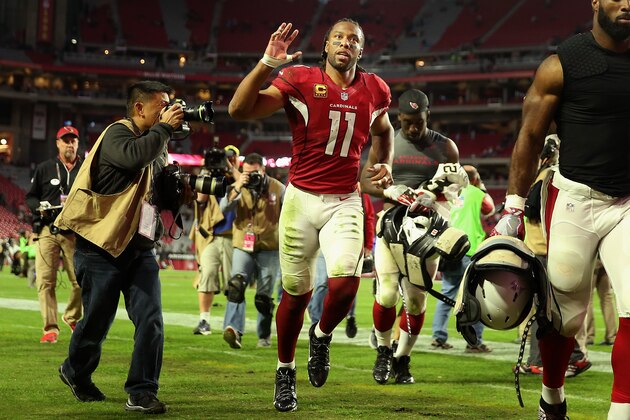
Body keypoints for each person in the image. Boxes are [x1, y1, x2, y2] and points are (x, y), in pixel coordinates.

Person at [228, 19, 394, 412]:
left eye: (353, 39)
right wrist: (267, 62)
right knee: (296, 294)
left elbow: (384, 130)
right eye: (338, 36)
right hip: (300, 200)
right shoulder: (301, 78)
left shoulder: (375, 88)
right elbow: (238, 111)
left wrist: (382, 163)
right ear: (326, 46)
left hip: (345, 199)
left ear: (361, 50)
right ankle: (285, 371)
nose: (345, 42)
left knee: (344, 286)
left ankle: (320, 336)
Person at [491, 2, 630, 418]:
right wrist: (514, 207)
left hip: (627, 203)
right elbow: (531, 137)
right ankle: (552, 397)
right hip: (574, 198)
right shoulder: (562, 63)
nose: (626, 4)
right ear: (595, 2)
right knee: (566, 319)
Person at [54, 81, 185, 414]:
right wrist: (166, 130)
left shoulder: (159, 145)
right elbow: (134, 159)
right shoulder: (117, 134)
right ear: (140, 108)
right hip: (101, 246)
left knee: (151, 319)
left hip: (140, 248)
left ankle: (141, 391)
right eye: (163, 104)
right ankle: (75, 371)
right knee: (97, 322)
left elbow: (156, 195)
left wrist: (181, 189)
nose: (170, 110)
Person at [360, 89, 468, 385]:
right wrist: (388, 191)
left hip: (425, 230)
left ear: (427, 115)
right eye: (407, 122)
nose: (413, 128)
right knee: (387, 294)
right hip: (391, 225)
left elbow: (451, 189)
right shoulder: (387, 141)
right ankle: (383, 351)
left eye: (418, 121)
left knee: (417, 301)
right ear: (399, 118)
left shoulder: (446, 147)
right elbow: (365, 182)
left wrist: (442, 194)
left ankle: (402, 358)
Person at [25, 125, 83, 344]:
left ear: (78, 144)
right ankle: (50, 328)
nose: (69, 144)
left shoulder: (86, 168)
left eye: (73, 140)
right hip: (48, 229)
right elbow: (30, 197)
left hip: (74, 231)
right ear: (57, 143)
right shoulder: (45, 168)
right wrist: (39, 205)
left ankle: (72, 315)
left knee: (81, 280)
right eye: (65, 140)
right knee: (45, 282)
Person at [221, 153, 284, 349]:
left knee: (264, 297)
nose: (250, 175)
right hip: (243, 244)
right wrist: (238, 186)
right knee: (236, 286)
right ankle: (233, 330)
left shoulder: (278, 188)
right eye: (246, 172)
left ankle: (264, 336)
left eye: (254, 172)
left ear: (263, 170)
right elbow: (224, 208)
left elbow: (290, 212)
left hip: (269, 246)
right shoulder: (238, 186)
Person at [431, 165, 495, 353]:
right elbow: (489, 210)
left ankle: (438, 336)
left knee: (447, 294)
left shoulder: (446, 192)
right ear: (475, 179)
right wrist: (481, 186)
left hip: (448, 249)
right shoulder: (476, 192)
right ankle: (474, 342)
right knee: (475, 296)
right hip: (470, 250)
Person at [307, 191, 376, 337]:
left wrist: (368, 245)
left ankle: (350, 316)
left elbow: (368, 219)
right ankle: (316, 324)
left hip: (348, 242)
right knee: (321, 284)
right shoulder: (319, 190)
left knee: (348, 281)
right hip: (320, 242)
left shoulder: (361, 195)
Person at [190, 146, 241, 336]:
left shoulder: (240, 178)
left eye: (230, 158)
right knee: (207, 274)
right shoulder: (210, 177)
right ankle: (204, 320)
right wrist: (206, 171)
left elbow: (243, 187)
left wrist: (231, 169)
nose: (226, 161)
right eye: (224, 159)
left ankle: (232, 323)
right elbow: (200, 199)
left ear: (235, 159)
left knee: (232, 282)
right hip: (210, 236)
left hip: (232, 236)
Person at [585, 258, 617, 346]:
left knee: (588, 298)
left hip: (592, 259)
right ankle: (611, 336)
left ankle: (588, 336)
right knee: (607, 297)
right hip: (604, 259)